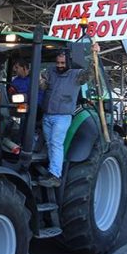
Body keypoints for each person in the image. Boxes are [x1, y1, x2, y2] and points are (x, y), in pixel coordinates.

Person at [38, 43, 99, 186]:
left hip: (62, 116)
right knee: (49, 144)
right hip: (47, 115)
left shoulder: (76, 75)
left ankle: (55, 175)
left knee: (56, 143)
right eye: (58, 62)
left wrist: (93, 56)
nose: (59, 65)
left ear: (68, 62)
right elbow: (42, 85)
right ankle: (52, 169)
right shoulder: (50, 72)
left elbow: (90, 74)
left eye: (62, 63)